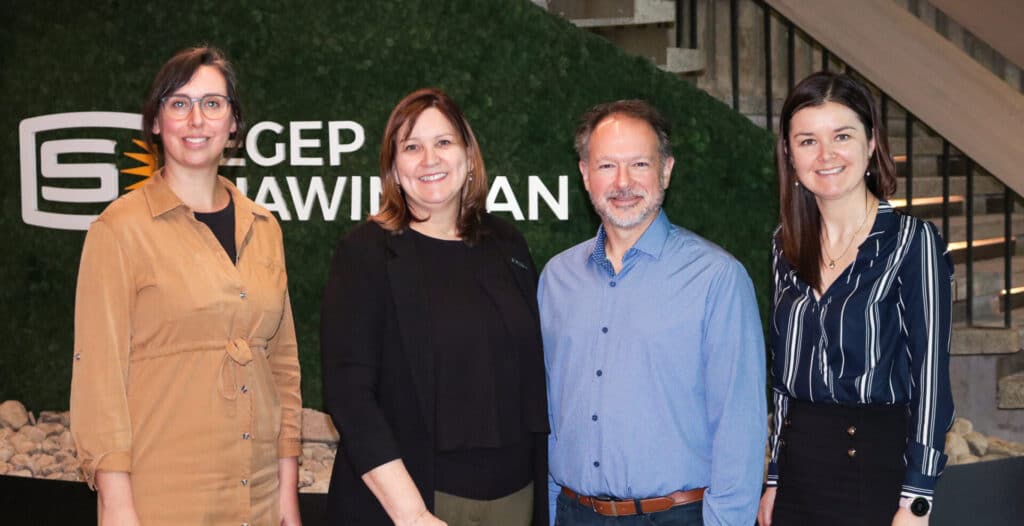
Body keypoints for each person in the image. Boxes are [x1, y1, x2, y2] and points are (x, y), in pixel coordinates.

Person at [70, 46, 302, 526]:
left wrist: (286, 489)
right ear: (156, 122)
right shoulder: (118, 230)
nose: (196, 119)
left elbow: (282, 366)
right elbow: (98, 380)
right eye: (179, 103)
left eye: (213, 104)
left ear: (234, 123)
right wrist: (117, 505)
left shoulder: (266, 227)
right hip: (162, 497)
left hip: (256, 498)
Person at [321, 88, 549, 526]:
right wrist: (412, 514)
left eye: (443, 142)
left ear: (468, 155)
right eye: (411, 147)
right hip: (416, 507)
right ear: (393, 167)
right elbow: (350, 397)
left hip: (516, 500)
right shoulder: (365, 252)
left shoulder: (507, 244)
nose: (430, 159)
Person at [540, 99, 767, 526]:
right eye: (607, 166)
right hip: (574, 514)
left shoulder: (717, 278)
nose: (623, 182)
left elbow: (741, 431)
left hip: (677, 516)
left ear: (665, 171)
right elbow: (553, 414)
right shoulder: (555, 280)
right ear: (585, 175)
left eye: (639, 164)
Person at [757, 72, 954, 526]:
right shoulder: (783, 244)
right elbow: (784, 374)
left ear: (870, 144)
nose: (825, 155)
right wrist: (773, 477)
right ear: (789, 154)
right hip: (798, 471)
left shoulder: (913, 242)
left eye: (841, 136)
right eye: (807, 141)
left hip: (875, 471)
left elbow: (931, 379)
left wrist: (917, 499)